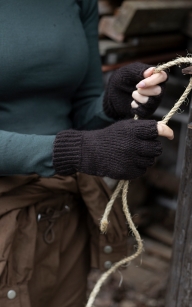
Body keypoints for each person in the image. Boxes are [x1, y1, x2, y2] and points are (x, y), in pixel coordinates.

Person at [0, 0, 174, 306]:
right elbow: (76, 145)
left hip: (62, 213)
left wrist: (112, 104)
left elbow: (81, 108)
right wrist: (75, 150)